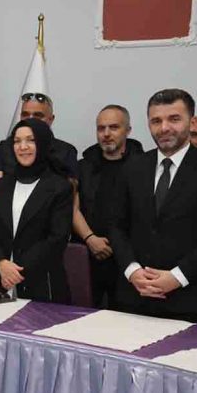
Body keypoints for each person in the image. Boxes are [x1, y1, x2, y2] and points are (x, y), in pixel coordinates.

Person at [109, 89, 197, 325]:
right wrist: (132, 271)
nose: (164, 128)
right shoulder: (133, 167)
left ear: (192, 122)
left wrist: (177, 277)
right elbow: (116, 226)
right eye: (156, 121)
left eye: (174, 119)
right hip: (133, 296)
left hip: (189, 300)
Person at [0, 118, 73, 301]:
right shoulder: (2, 185)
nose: (23, 147)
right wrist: (1, 263)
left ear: (43, 143)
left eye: (31, 140)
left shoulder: (60, 187)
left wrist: (15, 271)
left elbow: (57, 238)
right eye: (17, 141)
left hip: (41, 285)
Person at [73, 105, 143, 308]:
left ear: (128, 130)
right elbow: (72, 207)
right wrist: (90, 238)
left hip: (131, 260)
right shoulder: (83, 166)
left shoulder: (144, 166)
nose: (106, 134)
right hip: (89, 254)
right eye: (101, 128)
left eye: (114, 127)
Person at [0, 93, 78, 200]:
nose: (30, 119)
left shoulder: (66, 151)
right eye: (25, 114)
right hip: (9, 209)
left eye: (38, 115)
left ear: (51, 119)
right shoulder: (4, 148)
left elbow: (71, 196)